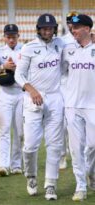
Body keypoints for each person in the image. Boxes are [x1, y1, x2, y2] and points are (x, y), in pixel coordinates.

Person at [15, 14, 64, 200]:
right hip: (33, 99)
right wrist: (31, 89)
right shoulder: (29, 47)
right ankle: (31, 176)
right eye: (44, 28)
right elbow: (19, 75)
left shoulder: (61, 44)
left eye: (50, 28)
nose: (47, 31)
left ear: (54, 29)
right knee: (30, 145)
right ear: (38, 29)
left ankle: (51, 184)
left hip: (55, 99)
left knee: (54, 145)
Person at [62, 14, 95, 201]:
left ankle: (91, 172)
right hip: (72, 106)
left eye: (77, 27)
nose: (73, 31)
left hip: (93, 106)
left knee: (92, 146)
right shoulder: (67, 49)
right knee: (76, 149)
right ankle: (80, 186)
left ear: (87, 29)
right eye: (72, 28)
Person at [0, 24, 23, 176]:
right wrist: (3, 66)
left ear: (18, 36)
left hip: (21, 93)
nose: (11, 39)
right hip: (5, 94)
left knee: (20, 132)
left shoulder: (25, 50)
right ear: (4, 37)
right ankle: (3, 165)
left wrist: (16, 68)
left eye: (13, 36)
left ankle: (16, 165)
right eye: (8, 36)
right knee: (4, 130)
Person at [59, 11, 78, 170]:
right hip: (65, 86)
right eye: (71, 22)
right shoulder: (62, 41)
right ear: (67, 24)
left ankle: (78, 154)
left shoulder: (88, 39)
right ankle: (62, 154)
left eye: (76, 22)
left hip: (82, 87)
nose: (73, 25)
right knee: (63, 125)